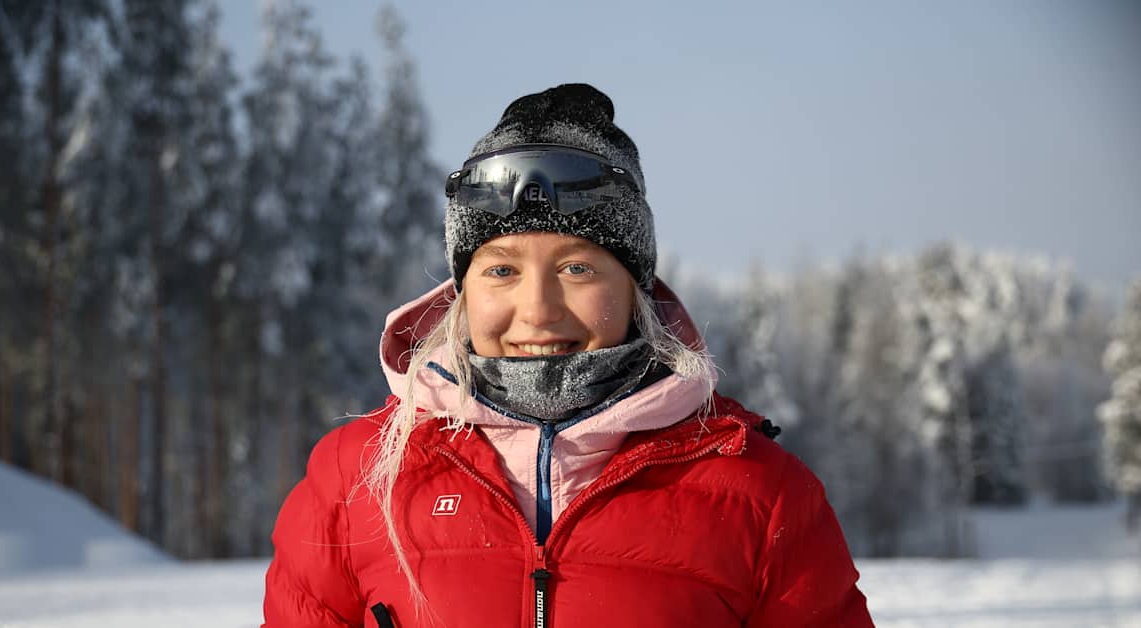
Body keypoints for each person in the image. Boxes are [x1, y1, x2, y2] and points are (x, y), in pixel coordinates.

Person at [263, 83, 874, 627]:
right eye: (501, 270)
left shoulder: (760, 495)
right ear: (462, 291)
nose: (537, 310)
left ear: (635, 290)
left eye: (577, 268)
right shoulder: (357, 479)